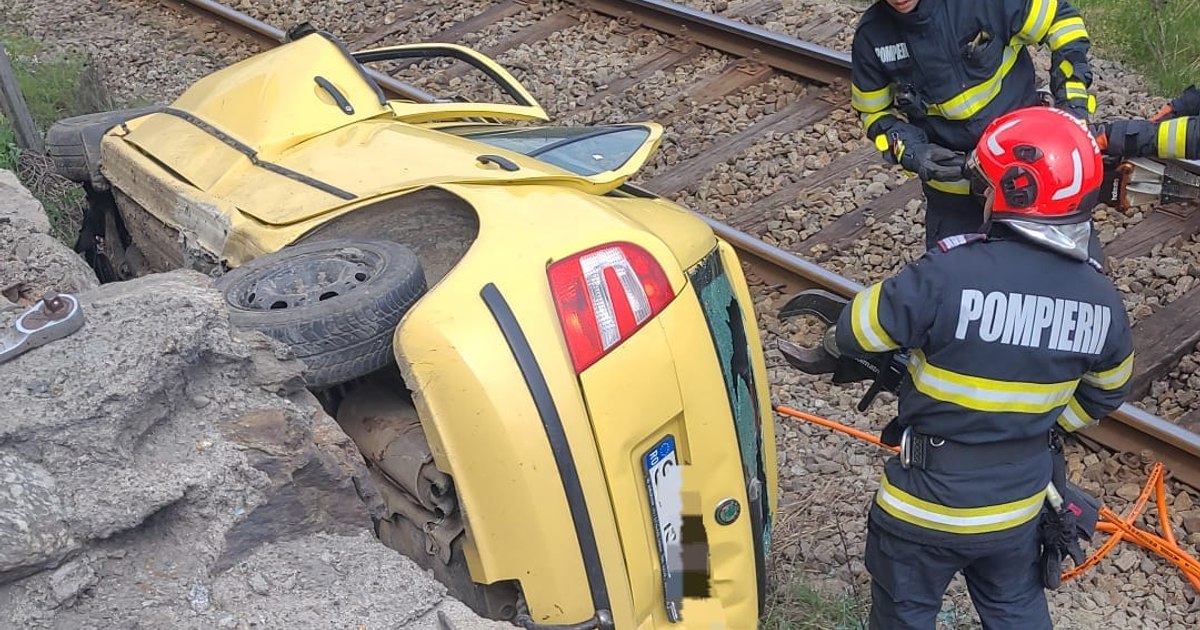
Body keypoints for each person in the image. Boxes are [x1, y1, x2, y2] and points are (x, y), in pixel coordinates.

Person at [833, 106, 1134, 629]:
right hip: (1016, 509)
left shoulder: (948, 272)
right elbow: (1108, 390)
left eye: (987, 185)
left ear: (1014, 190)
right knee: (1016, 611)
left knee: (903, 616)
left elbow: (855, 331)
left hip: (922, 507)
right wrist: (1041, 421)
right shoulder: (1103, 302)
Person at [849, 0, 1098, 250]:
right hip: (955, 195)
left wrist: (1073, 99)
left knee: (1062, 276)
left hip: (1033, 179)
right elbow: (873, 114)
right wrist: (913, 152)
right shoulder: (872, 36)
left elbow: (1063, 22)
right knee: (952, 284)